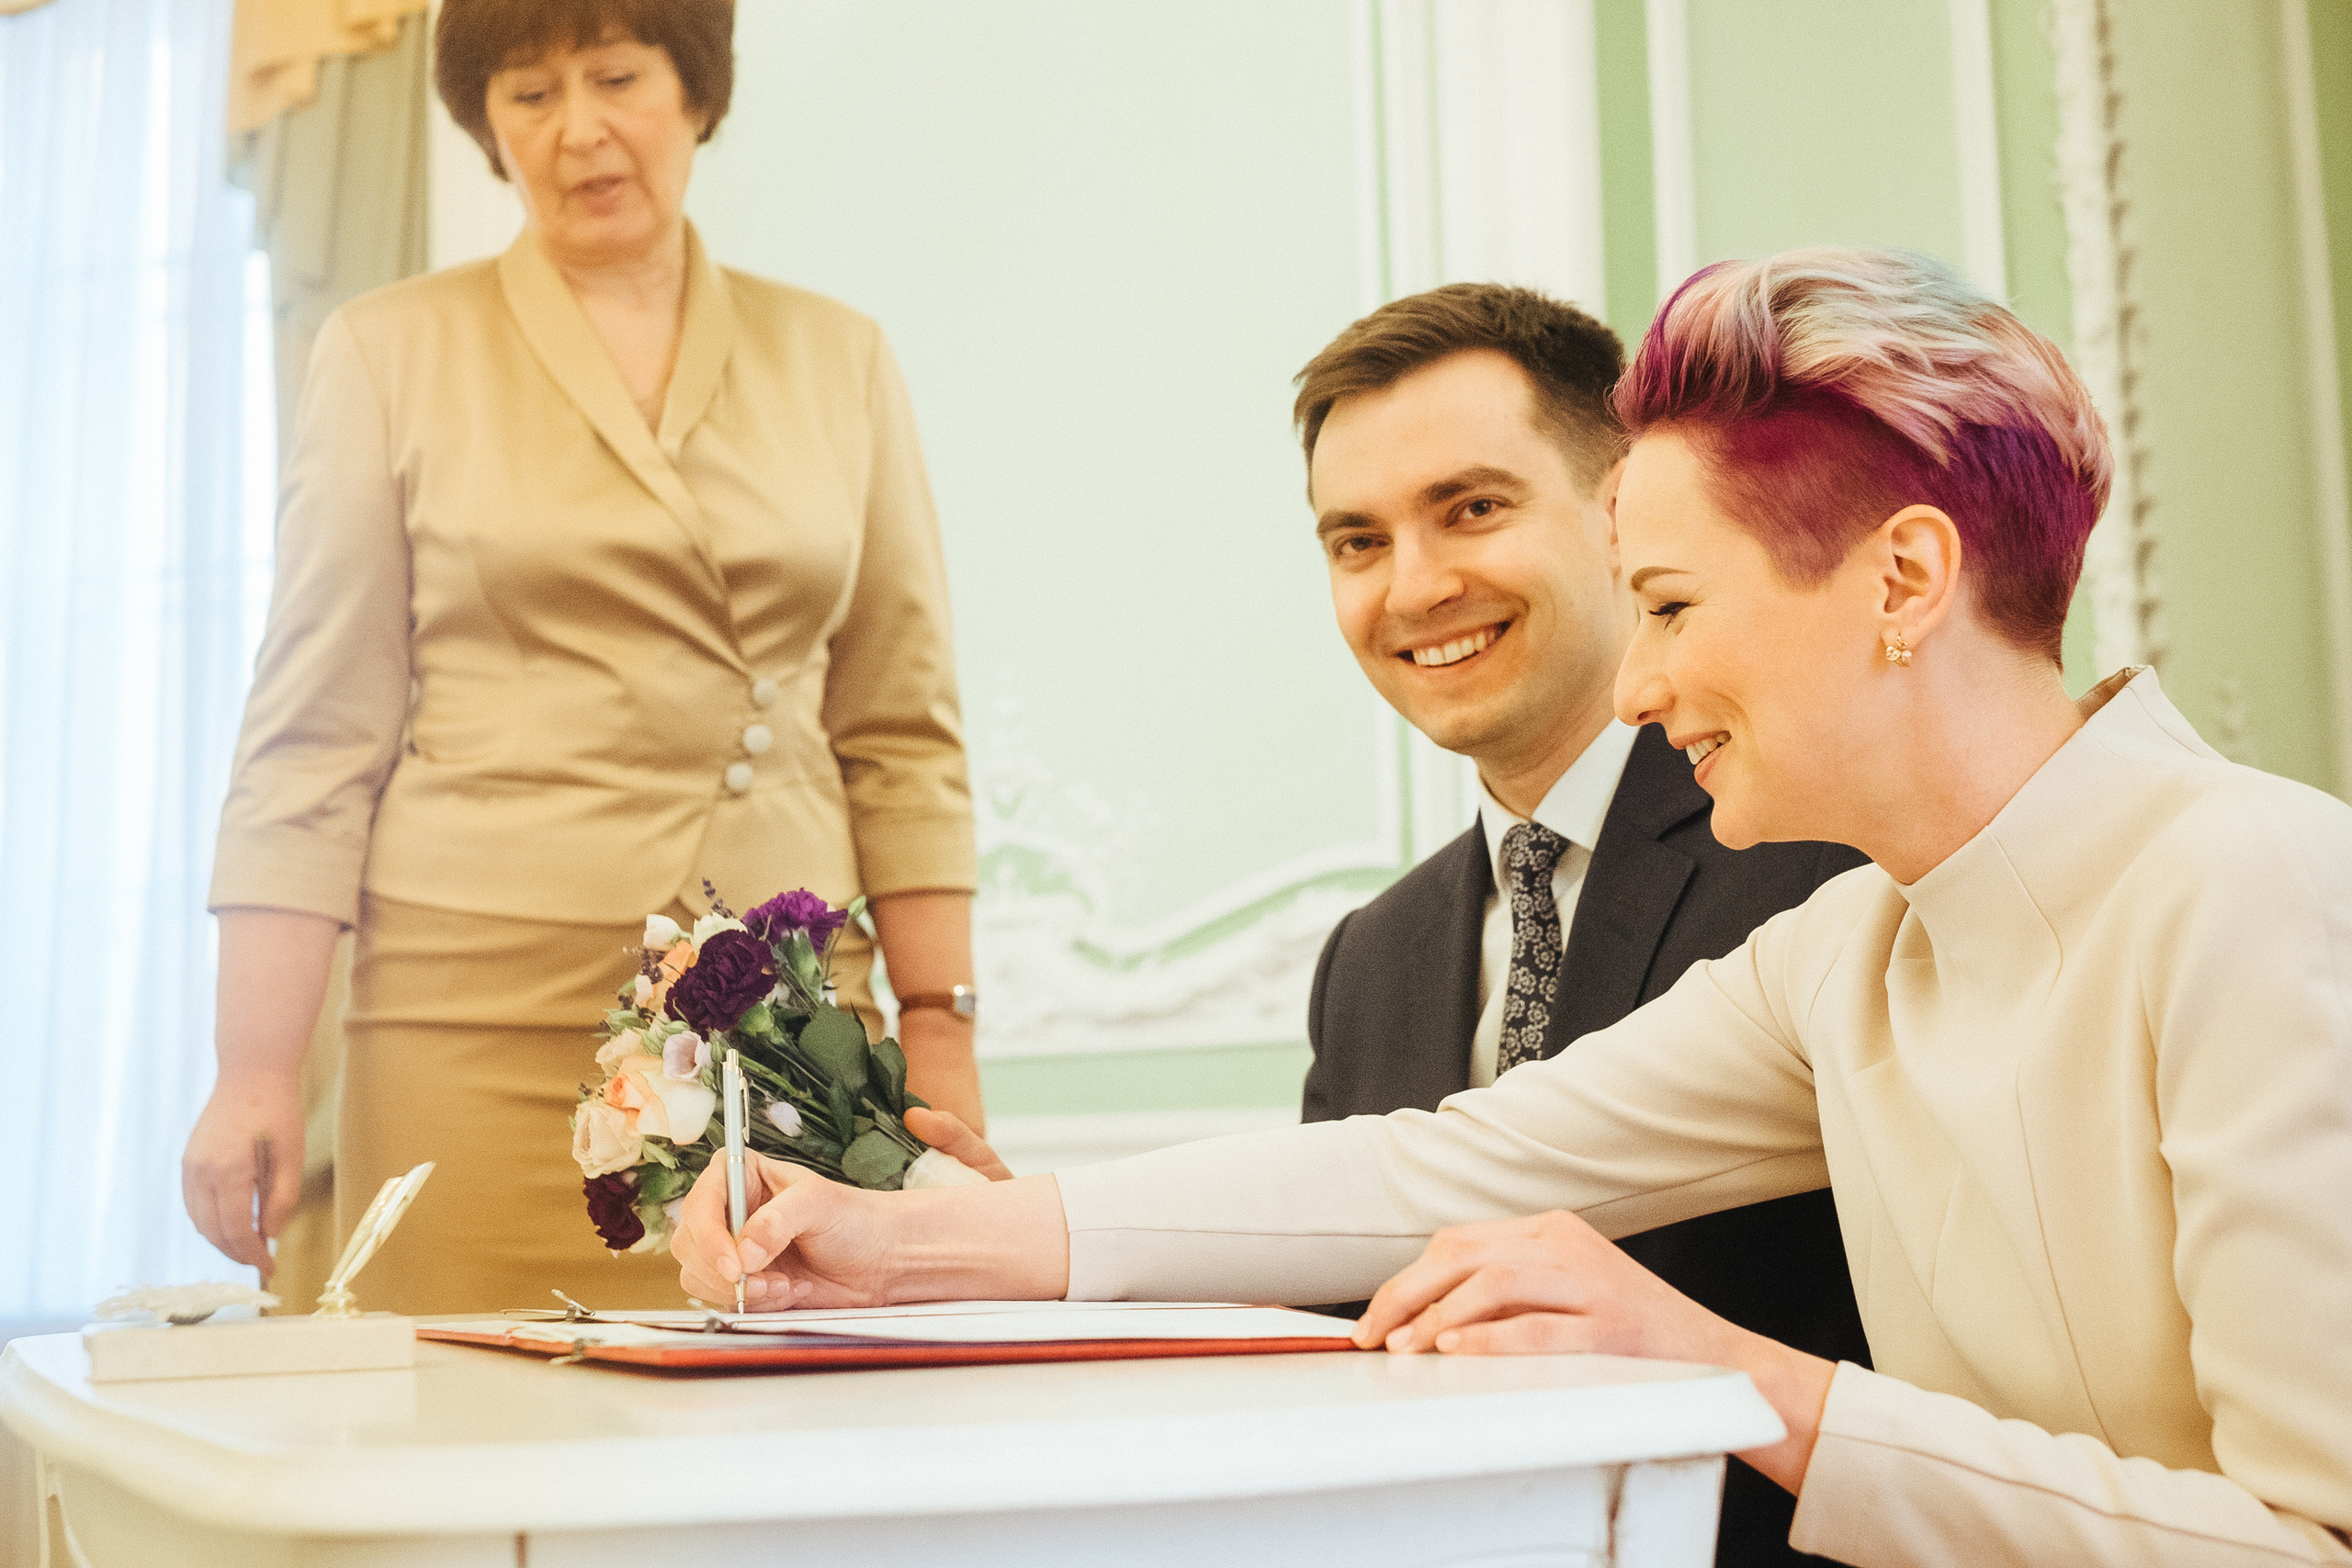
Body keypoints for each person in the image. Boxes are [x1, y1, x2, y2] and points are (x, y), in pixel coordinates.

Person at [675, 248, 2352, 1565]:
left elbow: (2309, 1541)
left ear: (1904, 582)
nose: (1636, 688)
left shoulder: (2250, 882)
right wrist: (909, 1248)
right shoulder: (1844, 959)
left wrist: (1744, 1382)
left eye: (1674, 607)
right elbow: (1434, 1167)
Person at [183, 0, 983, 1316]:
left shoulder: (837, 355)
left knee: (778, 1438)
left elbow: (902, 722)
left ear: (697, 93)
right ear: (487, 128)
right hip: (473, 1006)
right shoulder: (391, 350)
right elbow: (312, 731)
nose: (580, 132)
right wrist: (253, 1068)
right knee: (460, 1429)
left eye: (617, 76)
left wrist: (940, 1027)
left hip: (778, 1006)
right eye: (529, 97)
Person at [1295, 286, 1867, 1566]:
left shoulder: (1828, 859)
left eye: (1472, 509)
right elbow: (1339, 1328)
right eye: (1356, 541)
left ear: (1621, 513)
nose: (1417, 586)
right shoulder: (1370, 960)